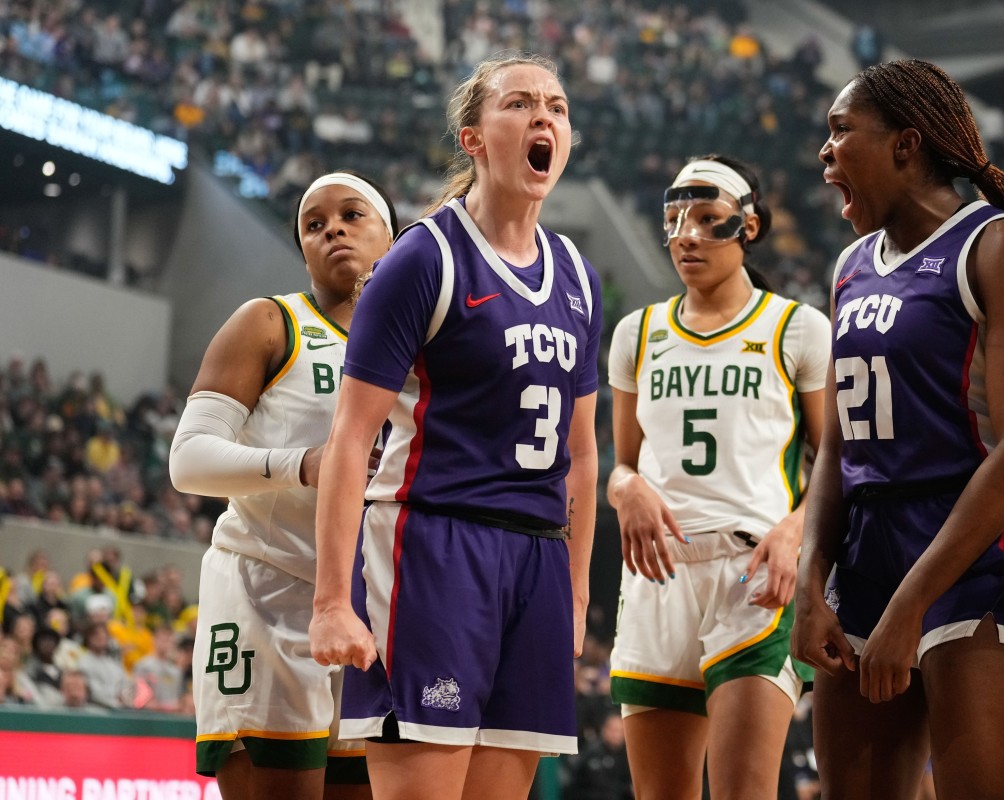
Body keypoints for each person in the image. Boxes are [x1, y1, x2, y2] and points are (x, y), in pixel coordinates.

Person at [307, 51, 601, 800]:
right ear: (473, 138)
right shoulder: (424, 258)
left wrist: (574, 592)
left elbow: (583, 454)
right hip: (435, 547)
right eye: (521, 103)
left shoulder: (576, 273)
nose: (544, 117)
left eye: (558, 107)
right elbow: (349, 441)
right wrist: (332, 602)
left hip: (536, 559)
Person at [790, 59, 1004, 799]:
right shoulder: (851, 264)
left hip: (978, 555)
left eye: (840, 131)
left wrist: (911, 606)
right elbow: (838, 451)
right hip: (864, 554)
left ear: (905, 143)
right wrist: (809, 578)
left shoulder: (1000, 245)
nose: (824, 153)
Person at [606, 154, 829, 800]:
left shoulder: (797, 328)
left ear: (748, 226)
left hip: (753, 576)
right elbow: (620, 465)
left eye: (708, 220)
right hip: (656, 576)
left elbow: (839, 462)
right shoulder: (636, 334)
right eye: (675, 219)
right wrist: (627, 490)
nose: (687, 235)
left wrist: (794, 531)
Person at [170, 169, 398, 799]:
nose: (334, 230)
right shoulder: (270, 323)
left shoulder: (418, 351)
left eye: (353, 216)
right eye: (315, 224)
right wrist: (302, 463)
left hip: (369, 605)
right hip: (263, 592)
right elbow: (187, 460)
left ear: (393, 238)